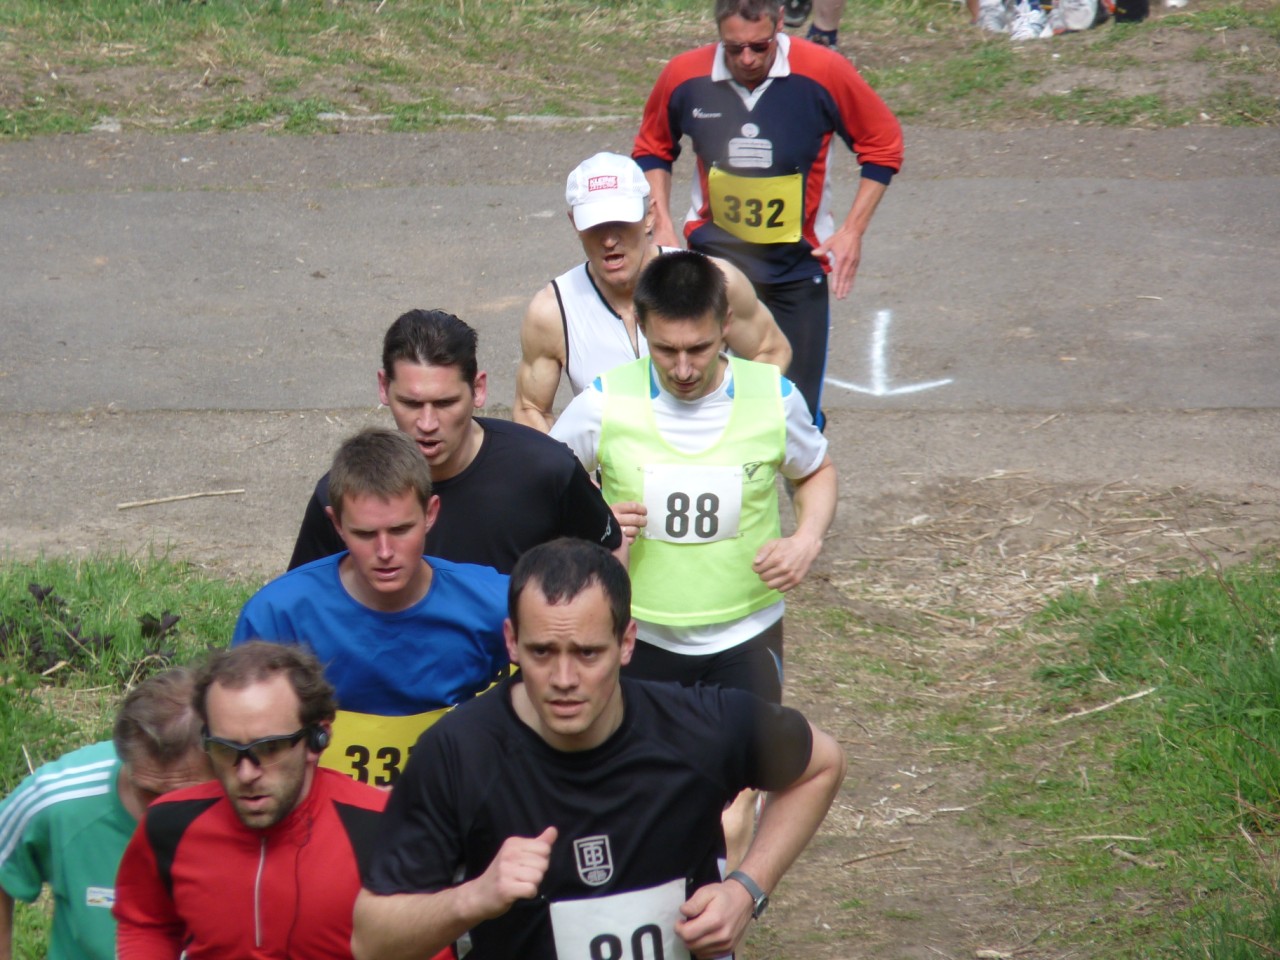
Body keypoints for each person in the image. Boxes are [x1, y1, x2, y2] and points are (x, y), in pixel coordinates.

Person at [351, 538, 847, 960]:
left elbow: (822, 766)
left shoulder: (700, 726)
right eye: (542, 652)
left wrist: (746, 890)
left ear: (627, 642)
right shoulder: (458, 752)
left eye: (588, 653)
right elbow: (372, 941)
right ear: (511, 642)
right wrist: (473, 898)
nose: (564, 679)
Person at [549, 251, 837, 865]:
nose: (683, 368)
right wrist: (595, 517)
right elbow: (546, 487)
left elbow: (815, 470)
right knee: (641, 793)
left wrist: (806, 539)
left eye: (699, 349)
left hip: (745, 634)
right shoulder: (604, 402)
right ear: (641, 328)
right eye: (665, 350)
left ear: (726, 323)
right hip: (643, 637)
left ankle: (722, 914)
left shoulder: (773, 397)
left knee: (734, 805)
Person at [633, 0, 904, 428]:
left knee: (795, 415)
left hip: (798, 266)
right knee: (702, 403)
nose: (746, 59)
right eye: (733, 48)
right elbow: (653, 148)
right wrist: (661, 221)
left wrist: (853, 230)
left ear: (780, 23)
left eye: (760, 46)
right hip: (717, 263)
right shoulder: (684, 75)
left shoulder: (824, 71)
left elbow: (883, 145)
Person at [236, 427, 509, 787]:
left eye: (401, 530)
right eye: (365, 534)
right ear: (336, 524)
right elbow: (239, 740)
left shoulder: (498, 604)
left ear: (431, 513)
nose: (384, 552)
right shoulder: (276, 616)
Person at [113, 642, 401, 960]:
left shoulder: (379, 827)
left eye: (269, 748)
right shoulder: (170, 824)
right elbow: (146, 922)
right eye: (225, 750)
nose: (246, 773)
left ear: (317, 739)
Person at [289, 308, 622, 573]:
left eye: (446, 403)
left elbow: (609, 554)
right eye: (411, 403)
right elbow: (301, 597)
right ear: (383, 388)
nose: (427, 424)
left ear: (478, 389)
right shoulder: (344, 493)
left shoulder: (547, 470)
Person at [514, 151, 791, 432]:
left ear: (649, 216)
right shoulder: (553, 311)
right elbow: (530, 408)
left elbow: (771, 350)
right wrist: (566, 460)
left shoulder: (715, 282)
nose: (609, 240)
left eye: (620, 222)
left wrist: (735, 430)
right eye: (595, 226)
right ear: (575, 224)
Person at [0, 667, 210, 960]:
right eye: (148, 793)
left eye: (181, 797)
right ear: (126, 760)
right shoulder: (61, 798)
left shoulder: (253, 799)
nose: (163, 812)